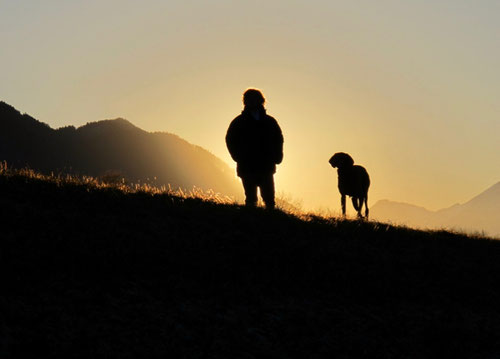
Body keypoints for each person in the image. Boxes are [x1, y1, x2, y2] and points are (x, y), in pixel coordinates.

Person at [225, 89, 284, 209]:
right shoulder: (239, 122)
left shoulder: (270, 122)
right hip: (247, 166)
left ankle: (271, 222)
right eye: (248, 99)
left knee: (269, 199)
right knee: (251, 198)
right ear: (245, 102)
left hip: (266, 165)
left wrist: (277, 156)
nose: (251, 102)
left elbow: (278, 139)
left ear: (261, 101)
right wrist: (238, 157)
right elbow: (230, 140)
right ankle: (251, 222)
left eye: (254, 99)